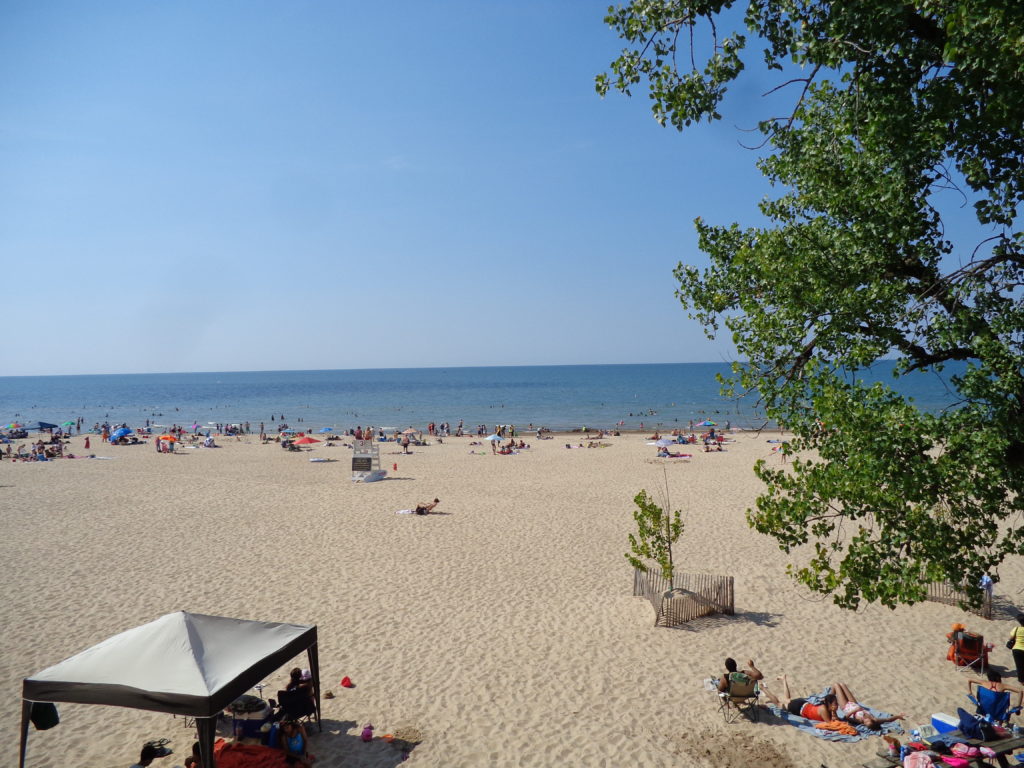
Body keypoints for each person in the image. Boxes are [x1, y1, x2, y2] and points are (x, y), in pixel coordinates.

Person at [759, 675, 837, 722]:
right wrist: (834, 714)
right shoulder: (824, 709)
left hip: (803, 703)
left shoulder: (827, 708)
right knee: (778, 704)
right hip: (799, 708)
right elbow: (830, 723)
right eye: (835, 704)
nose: (837, 706)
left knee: (788, 699)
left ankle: (783, 680)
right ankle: (763, 688)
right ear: (829, 704)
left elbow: (833, 718)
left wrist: (833, 713)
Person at [831, 681, 906, 729]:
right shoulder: (875, 719)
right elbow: (888, 719)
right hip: (854, 703)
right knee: (842, 684)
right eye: (867, 721)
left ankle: (828, 700)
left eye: (865, 723)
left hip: (846, 707)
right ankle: (829, 698)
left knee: (836, 685)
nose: (865, 721)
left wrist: (855, 710)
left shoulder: (859, 720)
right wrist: (898, 716)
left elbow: (846, 717)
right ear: (872, 720)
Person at [1009, 614, 1024, 684]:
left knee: (1019, 665)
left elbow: (1011, 638)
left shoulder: (1016, 629)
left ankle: (1022, 681)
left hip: (1017, 649)